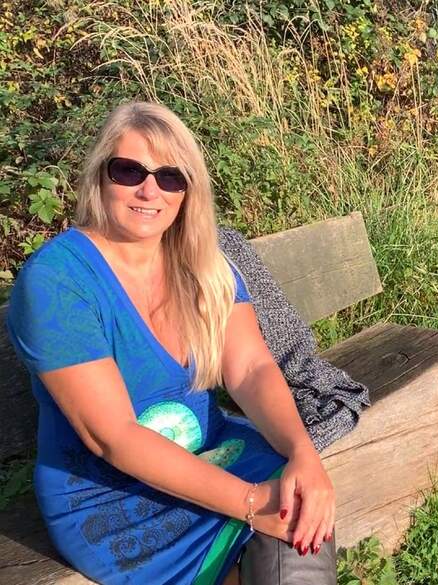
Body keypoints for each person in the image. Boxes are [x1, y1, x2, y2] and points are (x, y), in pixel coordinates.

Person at [5, 101, 340, 584]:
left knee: (301, 504)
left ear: (187, 190)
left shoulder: (202, 262)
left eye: (170, 177)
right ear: (100, 176)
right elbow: (112, 436)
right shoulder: (58, 281)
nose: (150, 190)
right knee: (286, 522)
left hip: (213, 449)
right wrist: (250, 502)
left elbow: (250, 368)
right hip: (112, 498)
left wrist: (303, 451)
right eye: (129, 171)